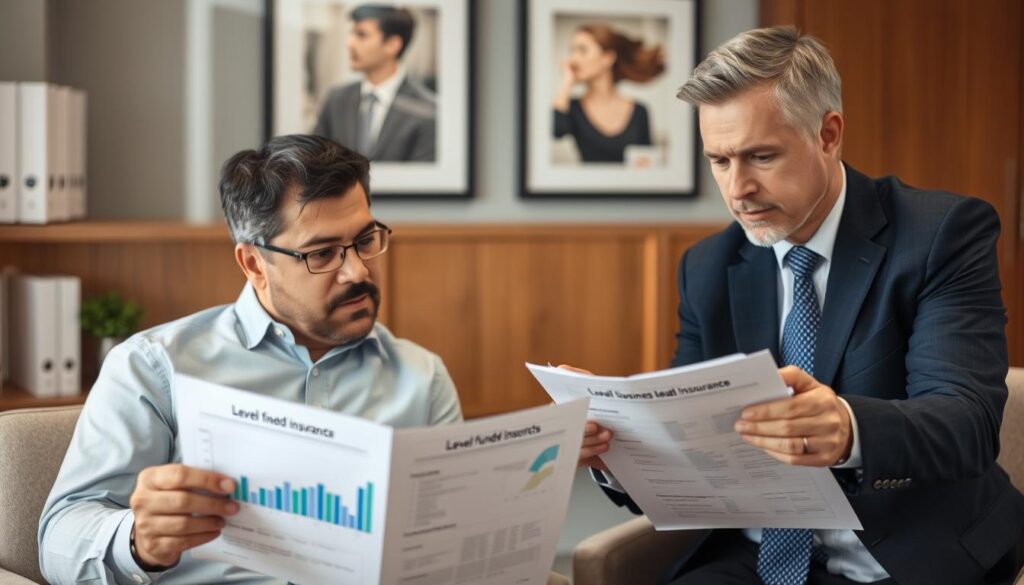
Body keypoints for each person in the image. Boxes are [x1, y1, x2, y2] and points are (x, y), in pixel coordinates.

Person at [577, 26, 1024, 585]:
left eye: (760, 156)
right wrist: (617, 451)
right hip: (753, 557)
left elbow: (968, 421)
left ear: (828, 134)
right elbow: (692, 439)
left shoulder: (940, 234)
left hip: (902, 555)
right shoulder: (708, 267)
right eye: (719, 161)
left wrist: (849, 427)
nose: (737, 189)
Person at [38, 135, 462, 584]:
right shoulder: (153, 368)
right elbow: (58, 540)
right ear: (255, 264)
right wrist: (137, 542)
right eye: (322, 253)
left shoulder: (423, 377)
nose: (357, 270)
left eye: (365, 239)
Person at [313, 5, 436, 162]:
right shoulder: (336, 100)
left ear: (392, 45)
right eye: (352, 34)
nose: (350, 44)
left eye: (361, 35)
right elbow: (315, 163)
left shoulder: (428, 109)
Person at [552, 23, 664, 164]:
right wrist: (567, 81)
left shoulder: (639, 111)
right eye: (572, 51)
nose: (573, 59)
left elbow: (648, 164)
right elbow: (556, 130)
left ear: (607, 58)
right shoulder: (573, 108)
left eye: (582, 50)